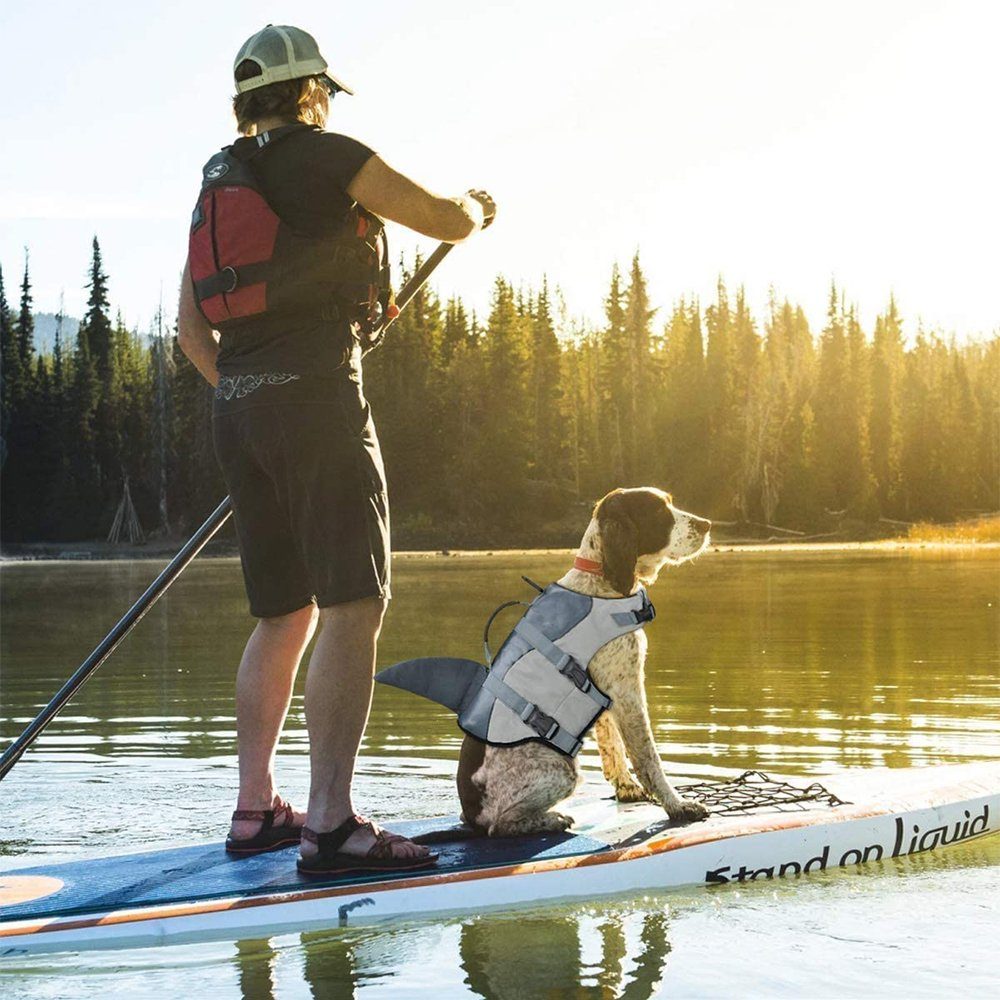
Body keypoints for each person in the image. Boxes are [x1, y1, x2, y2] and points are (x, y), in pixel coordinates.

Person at [177, 24, 495, 875]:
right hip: (315, 402)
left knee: (283, 612)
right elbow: (439, 219)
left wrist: (249, 394)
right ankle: (330, 826)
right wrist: (474, 209)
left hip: (237, 411)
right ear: (309, 90)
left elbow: (189, 330)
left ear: (247, 101)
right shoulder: (329, 155)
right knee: (353, 603)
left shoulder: (220, 182)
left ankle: (256, 811)